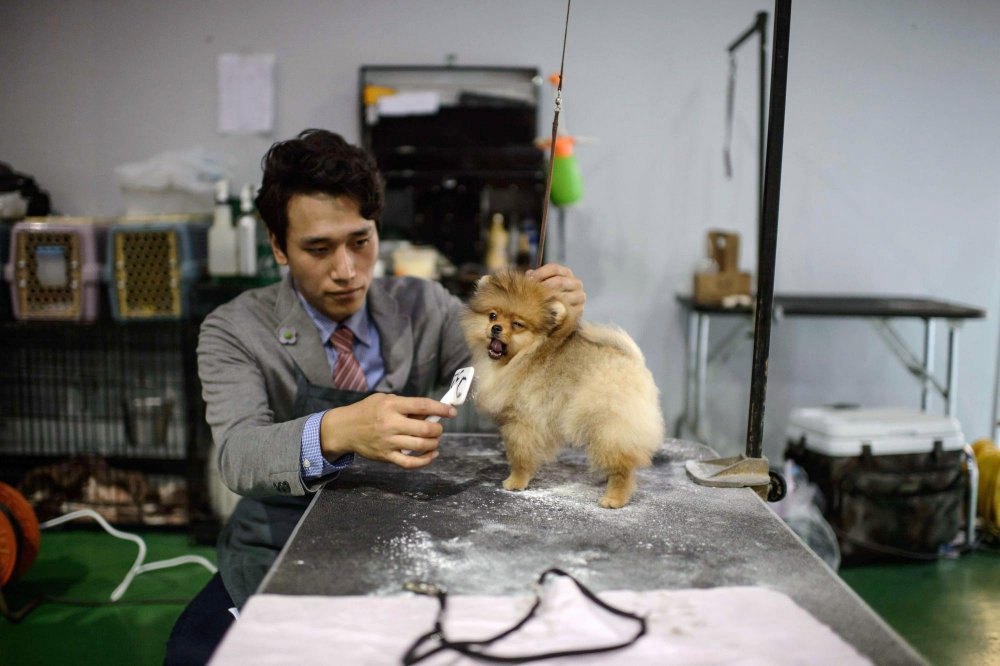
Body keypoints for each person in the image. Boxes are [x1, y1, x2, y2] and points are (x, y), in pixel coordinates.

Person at [165, 128, 585, 664]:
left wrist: (548, 328)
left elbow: (503, 387)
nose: (345, 270)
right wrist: (338, 431)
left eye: (359, 242)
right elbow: (238, 455)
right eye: (318, 249)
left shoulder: (422, 306)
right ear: (277, 245)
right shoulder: (235, 328)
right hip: (279, 541)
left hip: (409, 530)